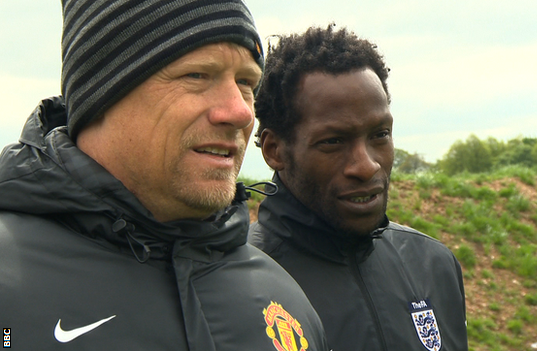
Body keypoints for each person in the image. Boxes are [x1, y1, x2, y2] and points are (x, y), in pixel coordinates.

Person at [0, 1, 329, 350]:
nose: (241, 112)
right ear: (101, 93)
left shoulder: (286, 305)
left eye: (247, 82)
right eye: (197, 75)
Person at [249, 25, 469, 351]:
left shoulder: (433, 265)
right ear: (275, 150)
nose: (366, 166)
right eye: (333, 141)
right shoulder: (238, 281)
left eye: (379, 135)